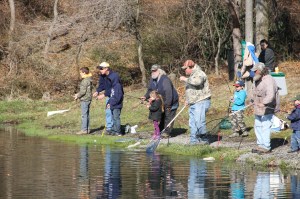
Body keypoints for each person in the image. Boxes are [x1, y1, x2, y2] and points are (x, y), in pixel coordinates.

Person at [141, 64, 179, 137]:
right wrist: (145, 97)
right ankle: (160, 131)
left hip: (171, 101)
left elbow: (169, 93)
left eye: (155, 71)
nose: (153, 72)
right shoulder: (152, 79)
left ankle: (167, 133)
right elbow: (150, 90)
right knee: (162, 117)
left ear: (159, 71)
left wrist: (168, 105)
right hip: (161, 102)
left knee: (168, 116)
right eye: (152, 71)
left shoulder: (165, 79)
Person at [179, 60, 211, 144]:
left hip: (201, 101)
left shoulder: (199, 73)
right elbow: (191, 89)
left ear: (191, 67)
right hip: (193, 102)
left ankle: (204, 140)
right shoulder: (192, 75)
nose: (184, 70)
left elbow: (197, 82)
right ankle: (193, 141)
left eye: (186, 68)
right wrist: (188, 100)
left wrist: (185, 79)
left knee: (199, 121)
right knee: (192, 123)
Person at [251, 62, 279, 154]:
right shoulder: (258, 79)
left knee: (265, 126)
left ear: (260, 70)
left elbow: (271, 95)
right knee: (258, 125)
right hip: (258, 108)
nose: (254, 73)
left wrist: (264, 103)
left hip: (268, 107)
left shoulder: (269, 80)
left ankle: (266, 147)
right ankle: (260, 145)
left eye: (255, 71)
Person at [93, 62, 120, 134]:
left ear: (106, 68)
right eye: (99, 68)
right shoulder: (102, 76)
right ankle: (109, 128)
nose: (100, 70)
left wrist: (104, 95)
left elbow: (113, 88)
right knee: (108, 112)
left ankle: (115, 129)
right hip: (109, 96)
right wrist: (98, 91)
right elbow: (102, 85)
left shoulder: (114, 76)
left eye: (101, 68)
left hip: (115, 96)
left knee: (114, 113)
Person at [74, 67, 93, 135]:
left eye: (81, 72)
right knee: (87, 115)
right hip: (88, 98)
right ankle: (87, 129)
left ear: (84, 72)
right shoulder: (89, 79)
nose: (80, 74)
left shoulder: (85, 80)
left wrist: (77, 96)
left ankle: (84, 130)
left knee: (84, 115)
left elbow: (83, 92)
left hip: (85, 99)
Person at [107, 71, 124, 136]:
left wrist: (112, 103)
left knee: (116, 118)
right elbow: (111, 96)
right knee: (113, 118)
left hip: (117, 105)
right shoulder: (113, 86)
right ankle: (114, 130)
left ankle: (118, 132)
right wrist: (108, 103)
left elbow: (118, 97)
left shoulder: (118, 86)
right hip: (112, 105)